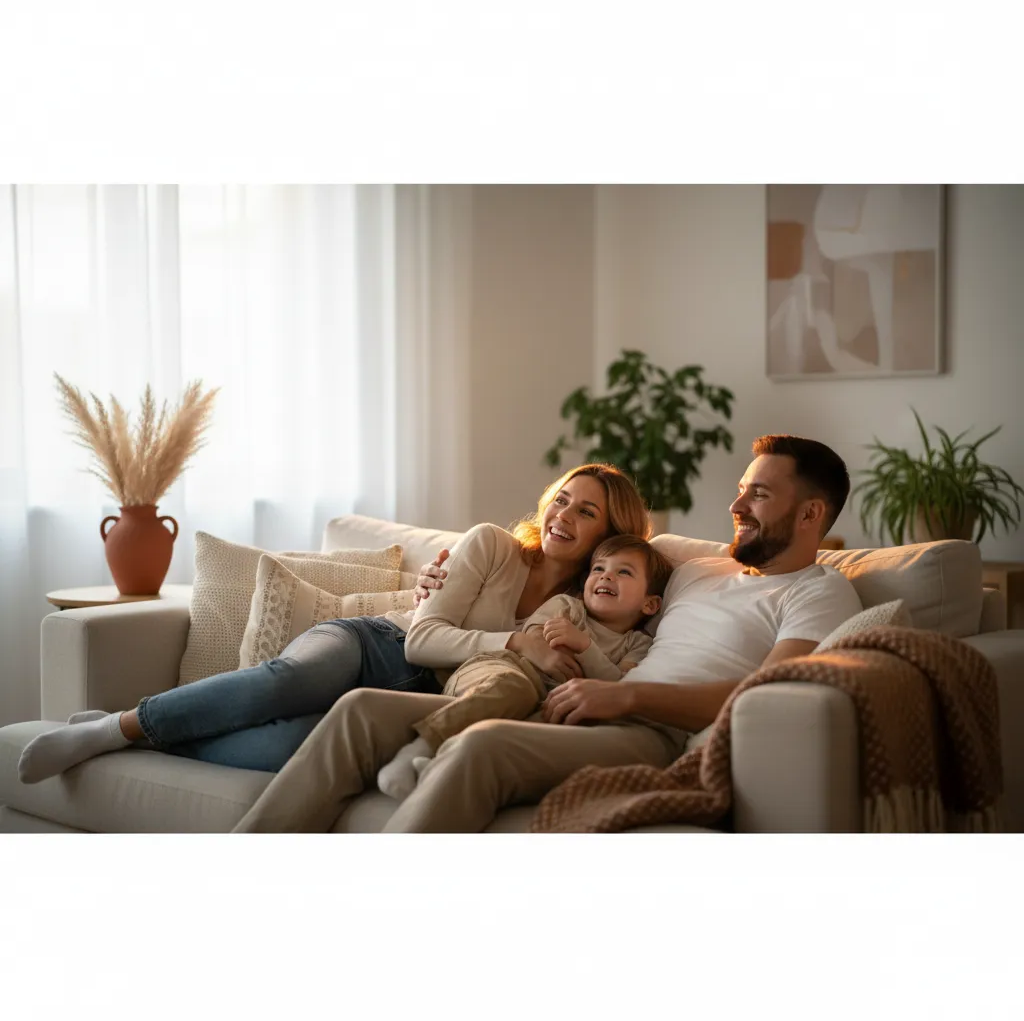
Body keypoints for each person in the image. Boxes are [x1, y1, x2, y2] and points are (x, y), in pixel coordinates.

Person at [230, 434, 865, 833]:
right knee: (361, 708)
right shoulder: (696, 569)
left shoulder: (820, 589)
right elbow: (605, 588)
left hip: (652, 733)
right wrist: (428, 586)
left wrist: (629, 698)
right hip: (580, 698)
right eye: (740, 490)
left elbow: (765, 694)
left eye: (758, 495)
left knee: (481, 747)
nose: (737, 505)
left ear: (810, 513)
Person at [18, 463, 652, 784]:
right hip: (377, 645)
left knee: (294, 748)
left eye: (587, 511)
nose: (564, 514)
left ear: (611, 531)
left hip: (412, 697)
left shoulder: (585, 610)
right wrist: (514, 642)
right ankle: (115, 727)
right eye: (562, 499)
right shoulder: (490, 545)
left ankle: (155, 732)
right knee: (282, 684)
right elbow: (427, 637)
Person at [376, 533, 675, 800]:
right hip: (505, 667)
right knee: (509, 689)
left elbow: (617, 686)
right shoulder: (567, 607)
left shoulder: (638, 644)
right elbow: (533, 636)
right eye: (599, 569)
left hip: (548, 700)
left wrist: (585, 648)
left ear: (650, 605)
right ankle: (419, 748)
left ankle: (445, 764)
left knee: (538, 726)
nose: (606, 577)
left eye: (623, 572)